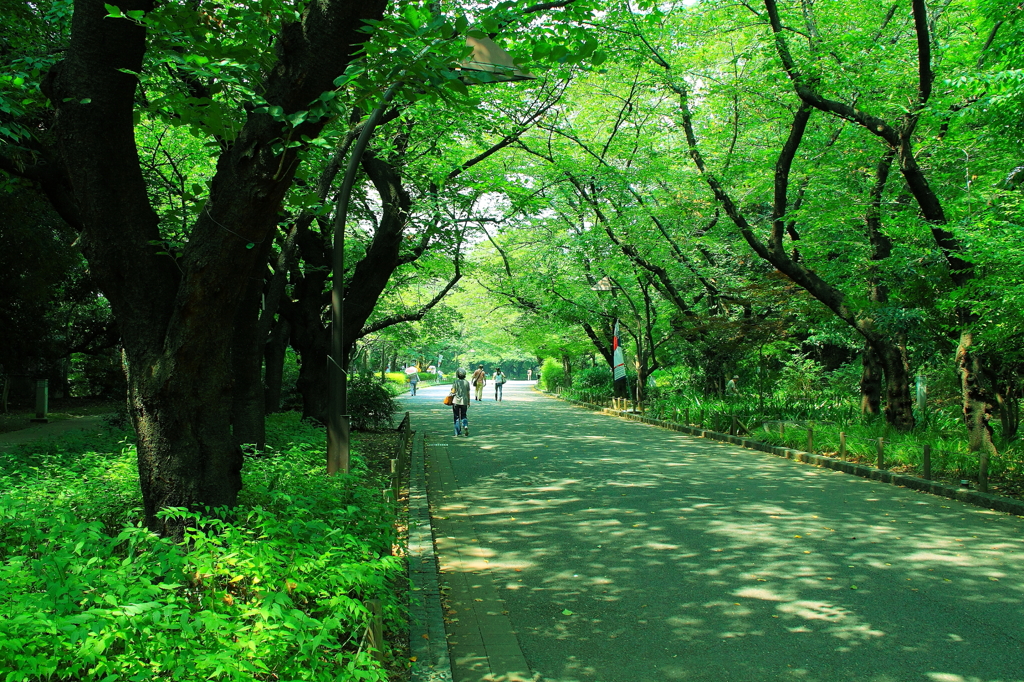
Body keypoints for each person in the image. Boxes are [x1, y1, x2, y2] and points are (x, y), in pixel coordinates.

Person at [450, 368, 471, 437]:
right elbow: (468, 393)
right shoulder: (467, 382)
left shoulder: (456, 382)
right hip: (464, 401)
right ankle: (465, 425)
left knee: (456, 416)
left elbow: (453, 391)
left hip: (456, 401)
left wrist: (451, 390)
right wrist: (468, 401)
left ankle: (457, 432)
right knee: (463, 415)